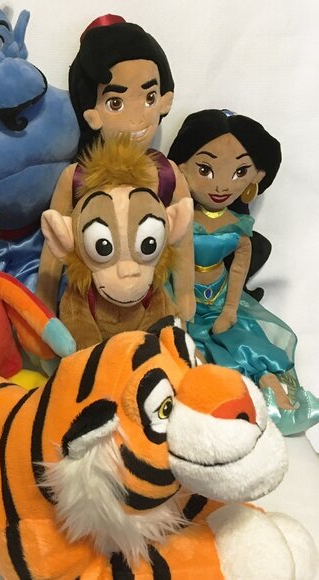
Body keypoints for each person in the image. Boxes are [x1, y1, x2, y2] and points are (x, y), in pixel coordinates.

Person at [168, 108, 319, 435]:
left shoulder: (238, 225)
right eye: (205, 169)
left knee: (244, 339)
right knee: (192, 347)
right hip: (181, 295)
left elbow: (238, 269)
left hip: (223, 298)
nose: (222, 184)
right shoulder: (176, 218)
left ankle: (272, 389)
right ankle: (220, 394)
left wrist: (231, 308)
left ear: (254, 178)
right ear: (181, 167)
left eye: (240, 172)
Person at [36, 14, 194, 320]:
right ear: (92, 114)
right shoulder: (76, 176)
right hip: (90, 301)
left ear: (165, 100)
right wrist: (44, 297)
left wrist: (186, 293)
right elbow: (54, 243)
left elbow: (182, 239)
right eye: (115, 103)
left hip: (152, 297)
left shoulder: (167, 173)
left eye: (149, 97)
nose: (136, 117)